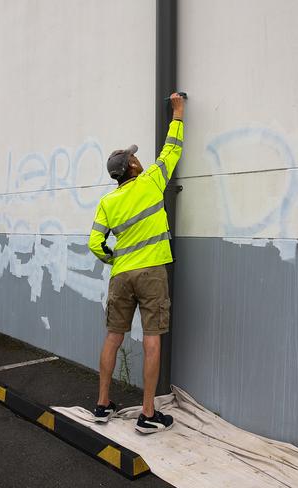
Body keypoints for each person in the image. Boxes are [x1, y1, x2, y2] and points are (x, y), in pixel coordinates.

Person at [88, 93, 185, 433]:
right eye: (134, 157)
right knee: (152, 339)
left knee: (113, 337)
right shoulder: (151, 181)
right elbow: (171, 150)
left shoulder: (108, 201)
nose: (138, 160)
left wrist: (113, 258)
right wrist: (178, 112)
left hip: (121, 275)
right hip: (151, 273)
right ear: (131, 166)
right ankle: (147, 414)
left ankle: (101, 405)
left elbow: (94, 242)